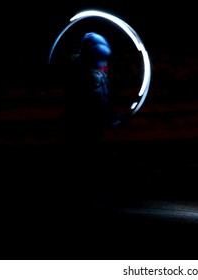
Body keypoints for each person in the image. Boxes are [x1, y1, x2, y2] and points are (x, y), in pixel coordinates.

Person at [61, 32, 121, 211]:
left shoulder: (94, 71)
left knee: (86, 160)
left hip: (86, 123)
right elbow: (94, 100)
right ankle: (83, 200)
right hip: (82, 123)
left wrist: (110, 114)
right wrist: (109, 115)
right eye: (101, 58)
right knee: (84, 160)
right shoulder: (86, 74)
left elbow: (102, 98)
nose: (104, 63)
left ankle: (85, 198)